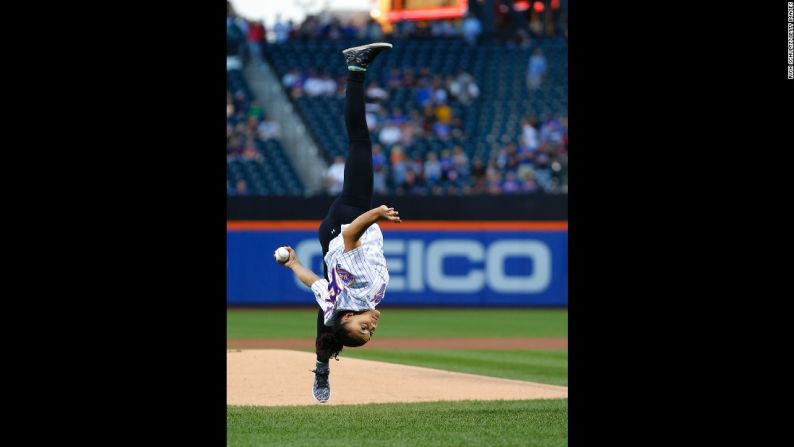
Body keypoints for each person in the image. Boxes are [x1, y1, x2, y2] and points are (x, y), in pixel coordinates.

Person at [276, 43, 398, 403]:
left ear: (349, 318)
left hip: (348, 221)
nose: (371, 327)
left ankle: (355, 67)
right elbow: (315, 281)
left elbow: (350, 236)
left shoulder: (361, 289)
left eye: (362, 328)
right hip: (330, 235)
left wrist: (376, 213)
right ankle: (323, 367)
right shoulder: (338, 305)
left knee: (360, 142)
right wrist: (294, 262)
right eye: (370, 333)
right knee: (325, 308)